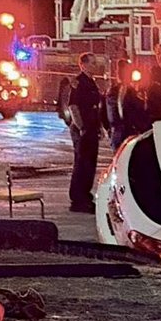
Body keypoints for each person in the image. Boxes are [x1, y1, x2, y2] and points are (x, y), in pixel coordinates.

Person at [67, 52, 103, 213]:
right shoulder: (79, 83)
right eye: (92, 63)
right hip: (83, 130)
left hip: (91, 128)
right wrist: (81, 127)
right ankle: (78, 198)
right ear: (83, 65)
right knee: (82, 164)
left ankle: (85, 195)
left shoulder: (91, 82)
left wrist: (99, 127)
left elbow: (95, 108)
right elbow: (73, 106)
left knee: (90, 164)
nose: (95, 66)